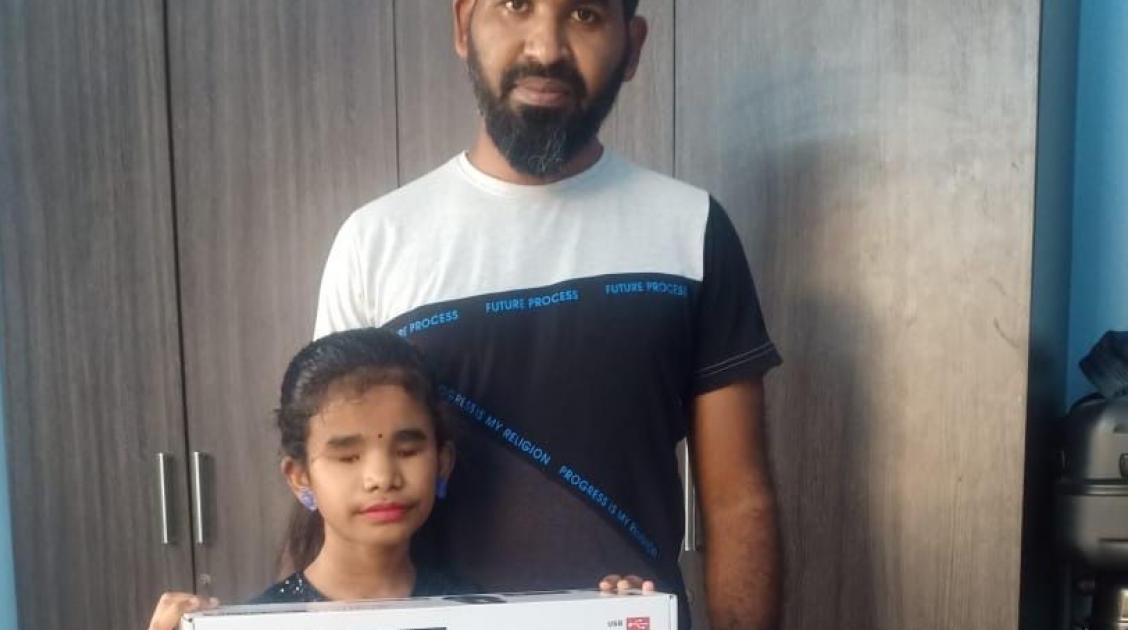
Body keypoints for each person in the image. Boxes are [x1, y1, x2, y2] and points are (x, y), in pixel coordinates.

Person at [312, 1, 783, 629]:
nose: (546, 47)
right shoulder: (375, 242)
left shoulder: (691, 229)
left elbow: (737, 500)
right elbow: (334, 496)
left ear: (632, 45)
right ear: (463, 25)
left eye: (584, 14)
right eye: (515, 5)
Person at [146, 328, 651, 630]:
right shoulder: (263, 622)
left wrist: (618, 620)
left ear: (442, 462)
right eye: (347, 457)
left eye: (407, 450)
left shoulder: (482, 614)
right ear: (300, 476)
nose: (381, 477)